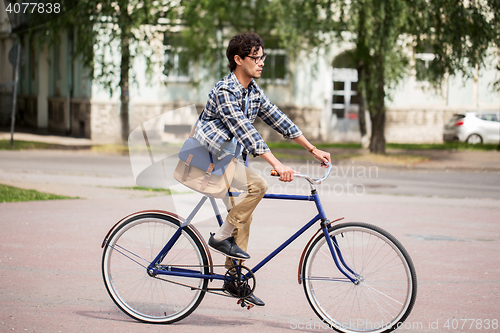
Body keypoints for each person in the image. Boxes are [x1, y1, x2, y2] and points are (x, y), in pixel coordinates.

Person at [192, 32, 331, 306]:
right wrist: (277, 165)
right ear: (238, 59)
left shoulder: (253, 93)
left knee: (243, 218)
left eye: (262, 56)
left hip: (228, 162)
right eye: (256, 57)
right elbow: (245, 132)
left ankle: (235, 280)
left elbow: (280, 120)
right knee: (259, 186)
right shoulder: (224, 91)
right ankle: (220, 238)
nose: (262, 62)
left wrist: (313, 149)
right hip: (205, 160)